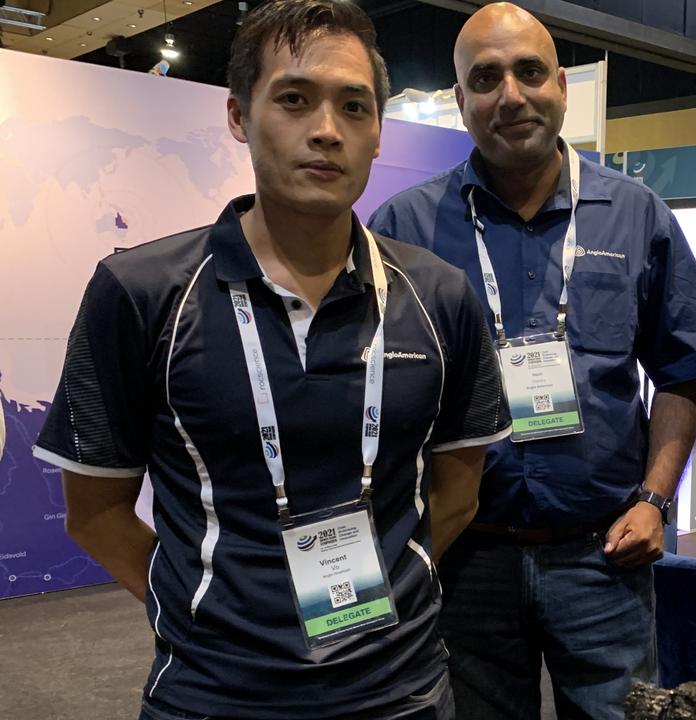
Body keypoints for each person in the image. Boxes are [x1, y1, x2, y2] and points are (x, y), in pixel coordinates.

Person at [33, 2, 510, 717]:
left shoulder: (440, 297)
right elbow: (95, 514)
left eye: (355, 106)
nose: (326, 130)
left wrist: (391, 583)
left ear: (377, 132)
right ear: (237, 115)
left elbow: (458, 495)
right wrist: (211, 616)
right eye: (294, 99)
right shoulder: (139, 293)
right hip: (212, 694)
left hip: (400, 691)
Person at [367, 4, 696, 718]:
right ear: (461, 100)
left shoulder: (637, 215)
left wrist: (656, 500)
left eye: (529, 71)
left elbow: (683, 371)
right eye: (486, 78)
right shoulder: (402, 230)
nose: (511, 95)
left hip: (603, 560)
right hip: (463, 560)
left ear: (562, 85)